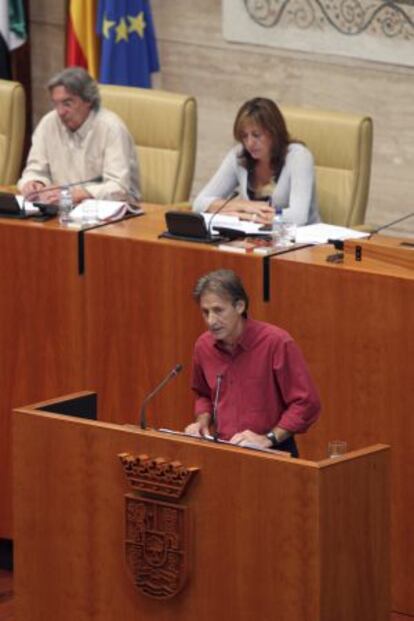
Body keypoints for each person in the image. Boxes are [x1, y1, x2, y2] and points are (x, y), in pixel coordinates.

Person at [185, 269, 320, 456]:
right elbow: (203, 394)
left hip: (272, 451)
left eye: (218, 310)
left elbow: (306, 403)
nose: (211, 321)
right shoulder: (203, 346)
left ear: (239, 306)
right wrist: (202, 422)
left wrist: (268, 438)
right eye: (205, 312)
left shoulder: (276, 343)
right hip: (224, 449)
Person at [17, 66, 140, 205]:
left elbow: (118, 188)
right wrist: (34, 183)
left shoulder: (111, 128)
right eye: (55, 104)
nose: (60, 112)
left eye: (67, 103)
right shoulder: (49, 123)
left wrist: (78, 195)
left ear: (88, 100)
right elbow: (34, 171)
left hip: (109, 212)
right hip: (61, 209)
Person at [192, 97, 320, 226]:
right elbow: (199, 204)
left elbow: (298, 217)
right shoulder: (239, 156)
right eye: (244, 136)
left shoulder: (298, 156)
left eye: (256, 135)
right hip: (257, 239)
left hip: (302, 241)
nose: (250, 143)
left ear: (274, 132)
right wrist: (243, 206)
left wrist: (247, 216)